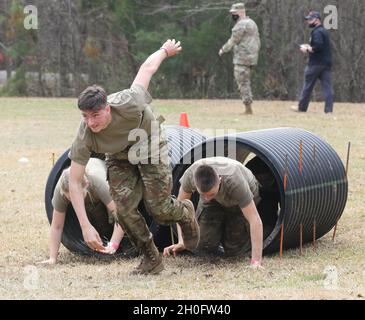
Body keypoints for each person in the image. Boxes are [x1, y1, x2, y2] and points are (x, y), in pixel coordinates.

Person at [68, 39, 199, 275]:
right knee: (122, 211)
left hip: (147, 141)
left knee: (158, 208)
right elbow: (74, 181)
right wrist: (85, 226)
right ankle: (151, 257)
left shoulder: (129, 102)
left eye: (95, 115)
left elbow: (147, 69)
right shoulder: (85, 133)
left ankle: (185, 212)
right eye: (85, 116)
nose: (90, 122)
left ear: (107, 108)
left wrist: (164, 51)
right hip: (118, 155)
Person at [163, 157, 264, 268]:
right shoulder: (191, 175)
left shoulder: (235, 181)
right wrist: (182, 242)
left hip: (239, 197)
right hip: (215, 202)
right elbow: (181, 210)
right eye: (203, 194)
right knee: (202, 246)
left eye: (210, 194)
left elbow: (254, 219)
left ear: (219, 180)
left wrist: (256, 262)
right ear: (195, 185)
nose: (206, 198)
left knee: (236, 250)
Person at [38, 158, 124, 265]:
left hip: (104, 174)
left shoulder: (98, 183)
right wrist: (52, 258)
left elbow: (122, 217)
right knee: (90, 214)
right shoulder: (60, 191)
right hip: (88, 195)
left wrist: (113, 245)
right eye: (70, 198)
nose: (74, 200)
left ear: (86, 185)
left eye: (77, 196)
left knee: (111, 217)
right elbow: (57, 226)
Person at [219, 3, 261, 115]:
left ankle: (248, 108)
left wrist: (223, 50)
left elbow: (233, 41)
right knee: (245, 81)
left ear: (241, 12)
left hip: (242, 58)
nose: (233, 15)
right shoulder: (252, 22)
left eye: (234, 13)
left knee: (243, 83)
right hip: (252, 57)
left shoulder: (241, 25)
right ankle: (248, 107)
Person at [293, 11, 333, 114]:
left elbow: (318, 46)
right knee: (327, 88)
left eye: (310, 19)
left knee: (307, 87)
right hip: (326, 64)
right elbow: (321, 46)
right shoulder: (324, 31)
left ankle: (302, 108)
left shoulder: (316, 32)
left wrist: (307, 49)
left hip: (315, 64)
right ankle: (329, 111)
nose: (308, 22)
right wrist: (309, 46)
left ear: (317, 20)